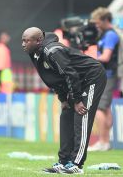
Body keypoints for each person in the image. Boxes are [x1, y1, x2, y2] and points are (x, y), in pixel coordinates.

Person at [22, 27, 106, 174]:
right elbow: (53, 78)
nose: (23, 44)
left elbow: (70, 74)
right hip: (75, 82)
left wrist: (77, 100)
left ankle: (76, 164)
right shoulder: (34, 52)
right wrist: (63, 99)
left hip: (91, 77)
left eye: (26, 41)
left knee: (82, 115)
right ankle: (63, 161)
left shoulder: (53, 51)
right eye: (22, 40)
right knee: (66, 116)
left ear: (38, 41)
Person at [88, 7, 119, 151]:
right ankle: (105, 142)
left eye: (98, 22)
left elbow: (106, 57)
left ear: (106, 20)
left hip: (108, 75)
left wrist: (90, 61)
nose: (96, 25)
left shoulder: (111, 35)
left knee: (98, 108)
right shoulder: (106, 34)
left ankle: (103, 141)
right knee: (105, 109)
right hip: (106, 74)